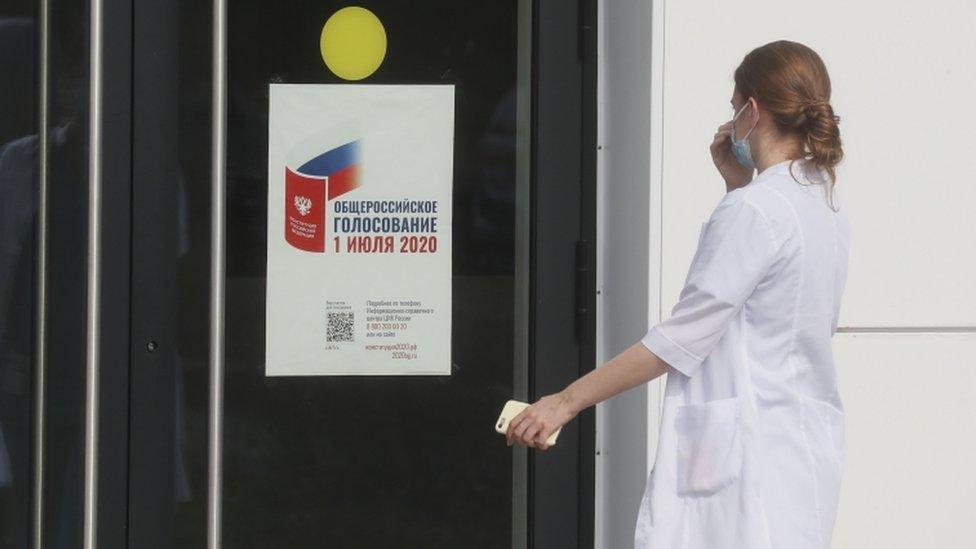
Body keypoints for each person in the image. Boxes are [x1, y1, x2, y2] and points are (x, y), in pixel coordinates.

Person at [506, 39, 850, 549]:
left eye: (734, 109)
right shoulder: (821, 205)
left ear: (753, 110)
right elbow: (760, 304)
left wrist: (564, 402)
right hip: (797, 455)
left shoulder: (755, 211)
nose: (732, 121)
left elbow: (681, 340)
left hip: (748, 467)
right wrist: (738, 185)